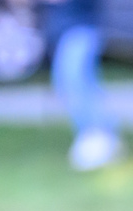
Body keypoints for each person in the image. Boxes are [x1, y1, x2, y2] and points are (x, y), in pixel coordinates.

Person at [39, 0, 122, 170]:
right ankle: (101, 135)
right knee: (73, 83)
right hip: (64, 32)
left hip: (81, 28)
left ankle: (97, 137)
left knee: (75, 81)